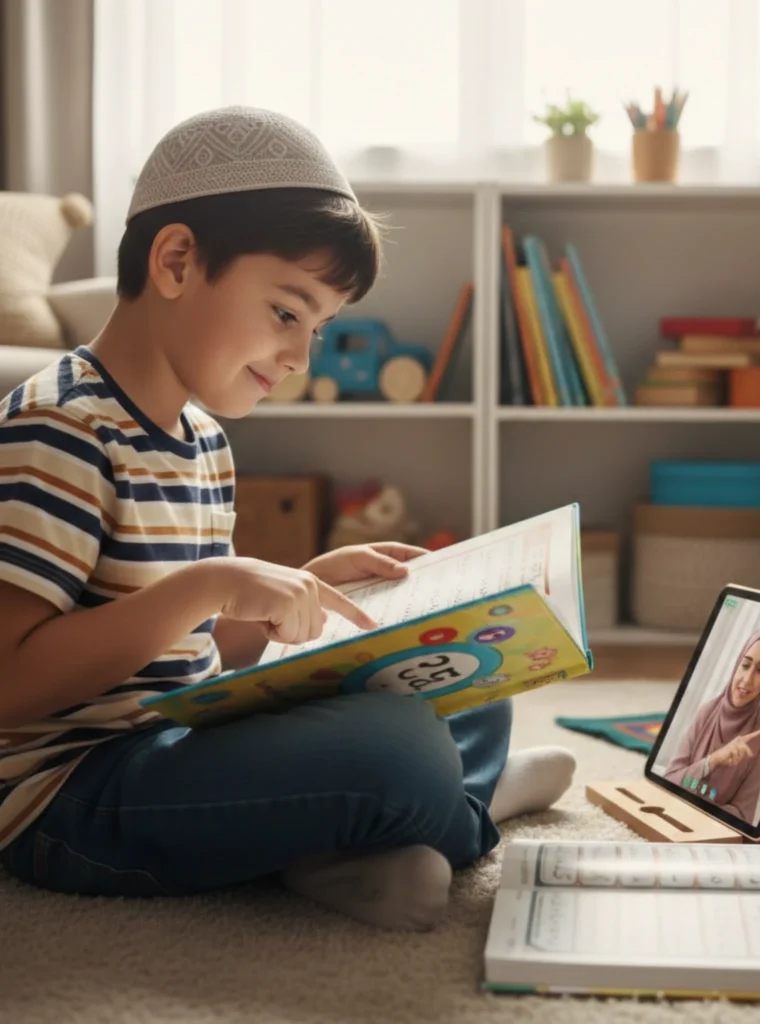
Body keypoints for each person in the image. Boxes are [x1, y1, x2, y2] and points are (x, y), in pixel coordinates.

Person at [0, 106, 575, 932]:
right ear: (176, 261)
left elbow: (204, 650)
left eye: (318, 326)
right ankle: (461, 806)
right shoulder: (57, 429)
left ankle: (377, 835)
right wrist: (208, 585)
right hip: (74, 797)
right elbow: (11, 686)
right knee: (398, 750)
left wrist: (301, 597)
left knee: (465, 666)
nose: (302, 356)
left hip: (172, 741)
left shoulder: (202, 440)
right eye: (286, 312)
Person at [661, 625, 760, 823]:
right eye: (745, 665)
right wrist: (713, 760)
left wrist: (701, 813)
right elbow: (669, 779)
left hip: (709, 828)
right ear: (736, 666)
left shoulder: (759, 733)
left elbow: (743, 815)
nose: (747, 679)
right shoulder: (708, 711)